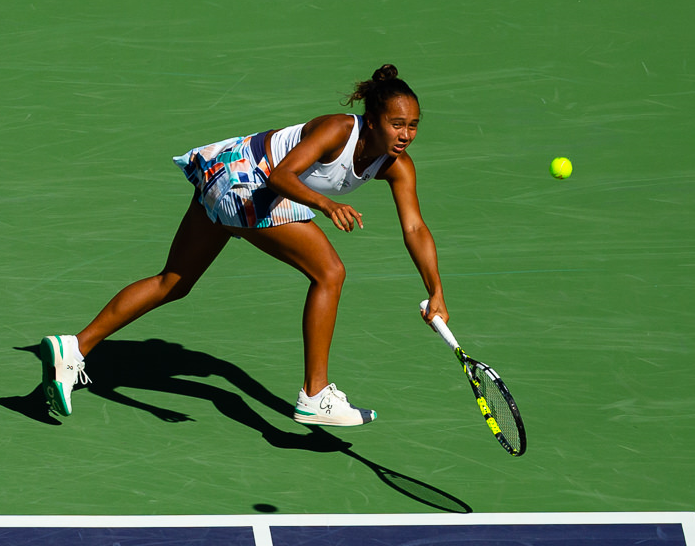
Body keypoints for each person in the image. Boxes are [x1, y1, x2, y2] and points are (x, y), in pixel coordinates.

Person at [39, 64, 449, 426]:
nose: (406, 134)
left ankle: (73, 348)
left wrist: (436, 290)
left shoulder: (398, 167)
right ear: (373, 121)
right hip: (248, 180)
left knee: (174, 282)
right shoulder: (339, 130)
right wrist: (325, 204)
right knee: (329, 272)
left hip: (226, 176)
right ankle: (315, 394)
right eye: (398, 124)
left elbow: (414, 228)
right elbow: (282, 176)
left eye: (413, 125)